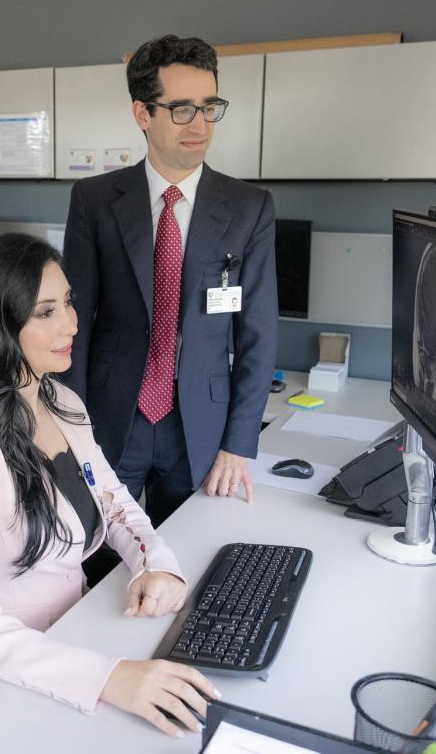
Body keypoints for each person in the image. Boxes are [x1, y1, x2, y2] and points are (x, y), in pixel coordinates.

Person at [0, 234, 220, 738]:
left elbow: (116, 503)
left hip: (73, 631)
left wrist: (157, 565)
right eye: (46, 312)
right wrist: (108, 679)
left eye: (70, 304)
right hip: (2, 671)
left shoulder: (62, 401)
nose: (73, 324)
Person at [62, 34, 278, 529]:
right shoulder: (95, 201)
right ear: (143, 114)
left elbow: (258, 335)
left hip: (201, 427)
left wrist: (238, 444)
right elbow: (72, 326)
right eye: (181, 109)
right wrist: (72, 433)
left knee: (190, 558)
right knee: (95, 556)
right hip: (112, 417)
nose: (199, 124)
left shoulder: (249, 208)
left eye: (209, 107)